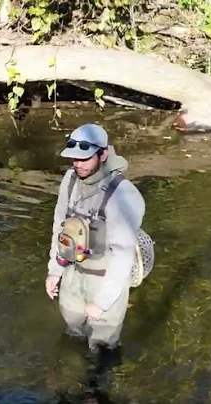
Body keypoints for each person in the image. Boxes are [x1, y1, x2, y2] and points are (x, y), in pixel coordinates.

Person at [44, 123, 148, 353]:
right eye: (74, 158)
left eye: (84, 158)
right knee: (72, 334)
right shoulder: (70, 180)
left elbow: (123, 256)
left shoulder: (123, 194)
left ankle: (98, 385)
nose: (78, 164)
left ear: (103, 154)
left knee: (102, 347)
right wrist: (55, 270)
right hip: (72, 274)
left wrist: (102, 303)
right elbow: (59, 227)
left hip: (105, 281)